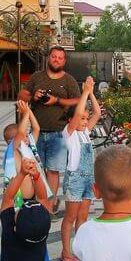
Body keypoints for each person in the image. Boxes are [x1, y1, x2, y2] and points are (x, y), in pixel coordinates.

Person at [19, 45, 81, 209]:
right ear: (49, 58)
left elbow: (78, 101)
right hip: (36, 133)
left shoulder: (69, 80)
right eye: (54, 56)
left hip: (59, 133)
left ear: (64, 61)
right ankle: (38, 202)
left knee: (53, 171)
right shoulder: (37, 76)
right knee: (35, 169)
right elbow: (22, 95)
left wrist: (57, 100)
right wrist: (34, 96)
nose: (56, 60)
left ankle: (50, 205)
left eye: (60, 58)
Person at [59, 77, 101, 261]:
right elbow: (77, 115)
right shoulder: (68, 134)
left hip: (88, 180)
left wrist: (91, 93)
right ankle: (66, 251)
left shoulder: (85, 133)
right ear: (71, 120)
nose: (84, 121)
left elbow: (97, 113)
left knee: (82, 217)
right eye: (81, 119)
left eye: (85, 118)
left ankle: (79, 249)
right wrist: (83, 93)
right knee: (70, 217)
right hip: (75, 180)